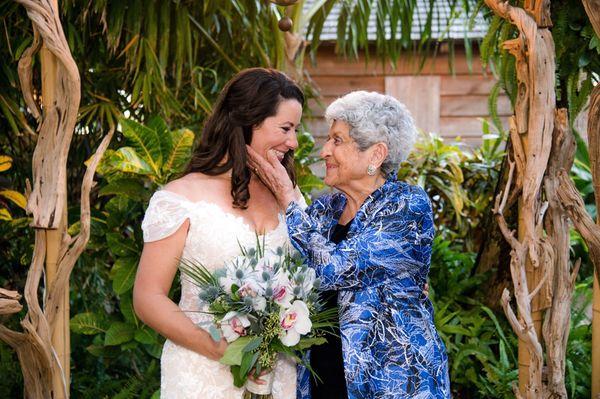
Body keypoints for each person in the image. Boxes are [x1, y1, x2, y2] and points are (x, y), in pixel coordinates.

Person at [248, 90, 450, 398]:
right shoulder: (324, 210)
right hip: (321, 380)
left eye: (337, 140)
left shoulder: (405, 206)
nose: (324, 151)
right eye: (328, 139)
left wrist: (288, 198)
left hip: (391, 384)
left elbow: (332, 269)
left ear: (376, 154)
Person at [133, 67, 304, 398]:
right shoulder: (181, 198)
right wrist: (220, 348)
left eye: (295, 129)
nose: (293, 141)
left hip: (279, 375)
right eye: (285, 128)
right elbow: (148, 297)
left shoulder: (291, 197)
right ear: (247, 121)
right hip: (202, 374)